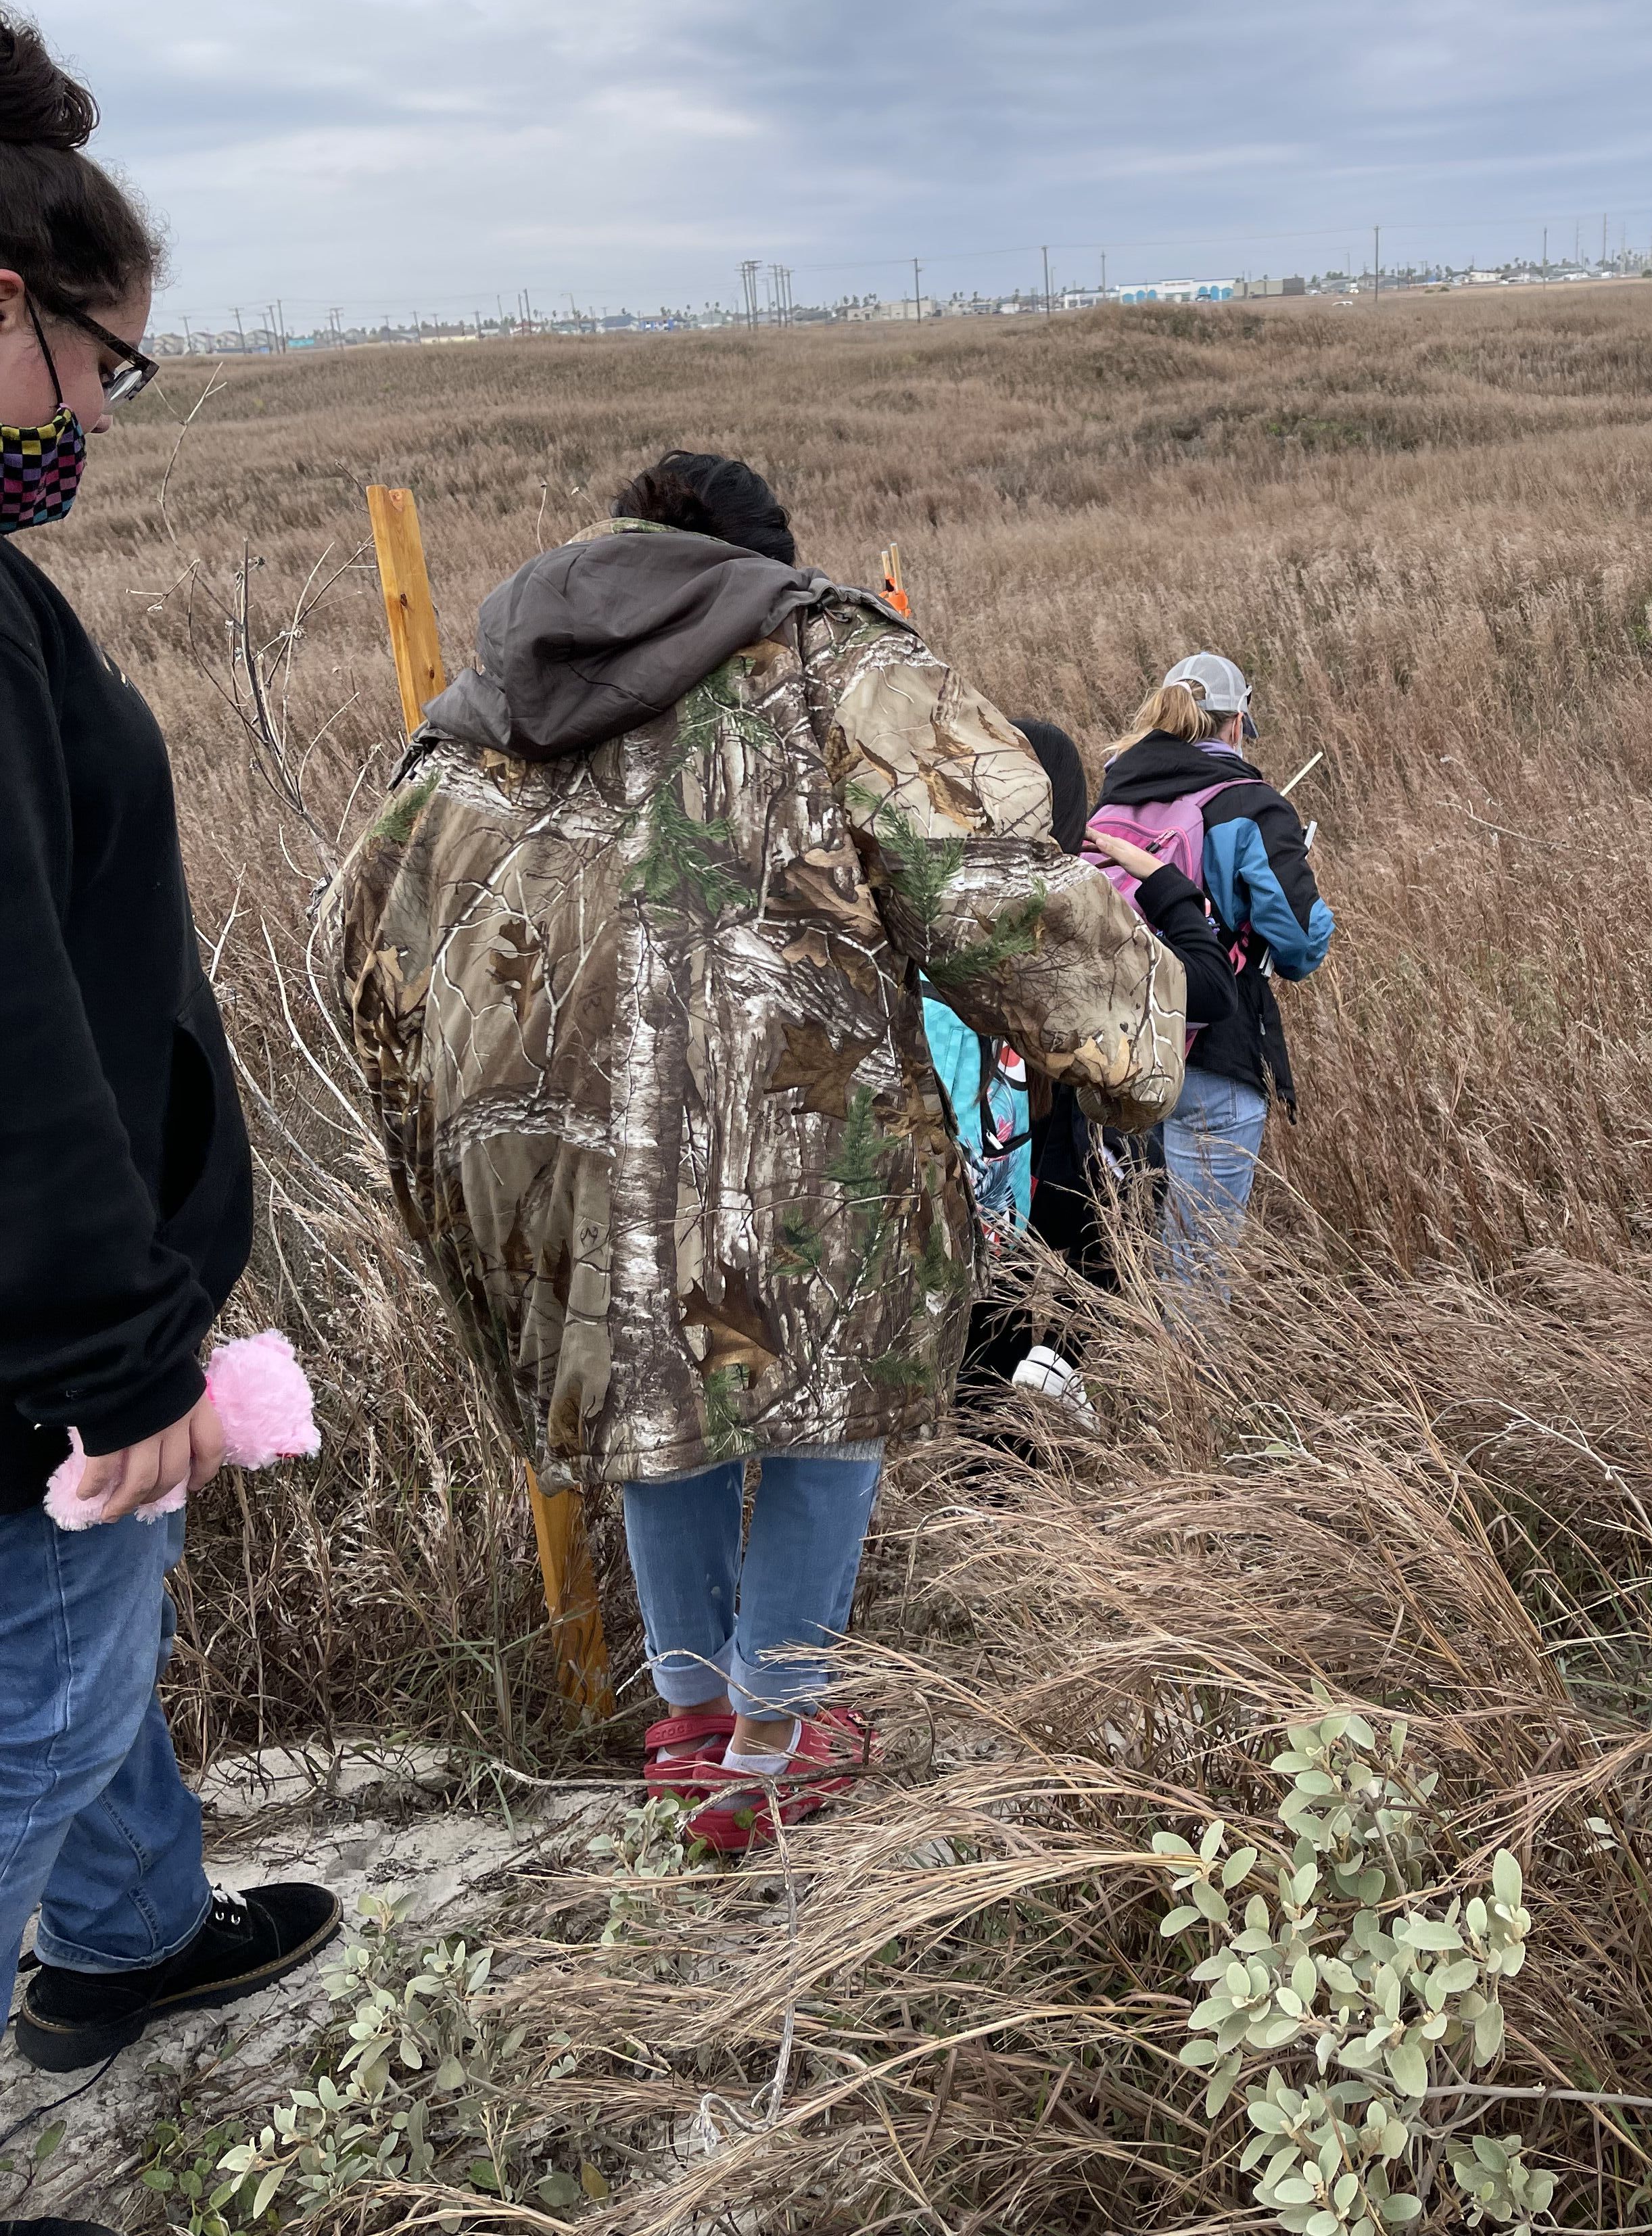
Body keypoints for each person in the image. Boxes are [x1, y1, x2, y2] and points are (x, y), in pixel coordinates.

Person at [330, 454, 1185, 1848]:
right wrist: (1143, 1044)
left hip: (566, 1148)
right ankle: (783, 1732)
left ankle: (692, 1728)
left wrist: (464, 1117)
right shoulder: (827, 659)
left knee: (655, 1412)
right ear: (758, 561)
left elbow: (359, 922)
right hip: (798, 1119)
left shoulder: (487, 695)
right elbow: (990, 891)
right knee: (830, 1400)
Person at [0, 14, 337, 2128]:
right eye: (106, 366)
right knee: (41, 1698)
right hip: (37, 1351)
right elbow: (11, 1019)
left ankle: (123, 1941)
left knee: (80, 1670)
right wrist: (120, 1357)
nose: (102, 420)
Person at [958, 717, 1240, 1421]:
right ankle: (1005, 1482)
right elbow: (1207, 989)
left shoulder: (929, 908)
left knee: (975, 1351)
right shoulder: (1063, 929)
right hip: (1021, 1183)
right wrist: (1165, 883)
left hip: (943, 1190)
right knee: (1011, 1339)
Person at [1095, 651, 1332, 1270]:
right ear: (1235, 725)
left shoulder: (1110, 801)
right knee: (1196, 1265)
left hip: (1109, 1047)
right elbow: (1303, 947)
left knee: (1126, 1251)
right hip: (1211, 1050)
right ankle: (1184, 1370)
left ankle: (1104, 1362)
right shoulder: (1251, 806)